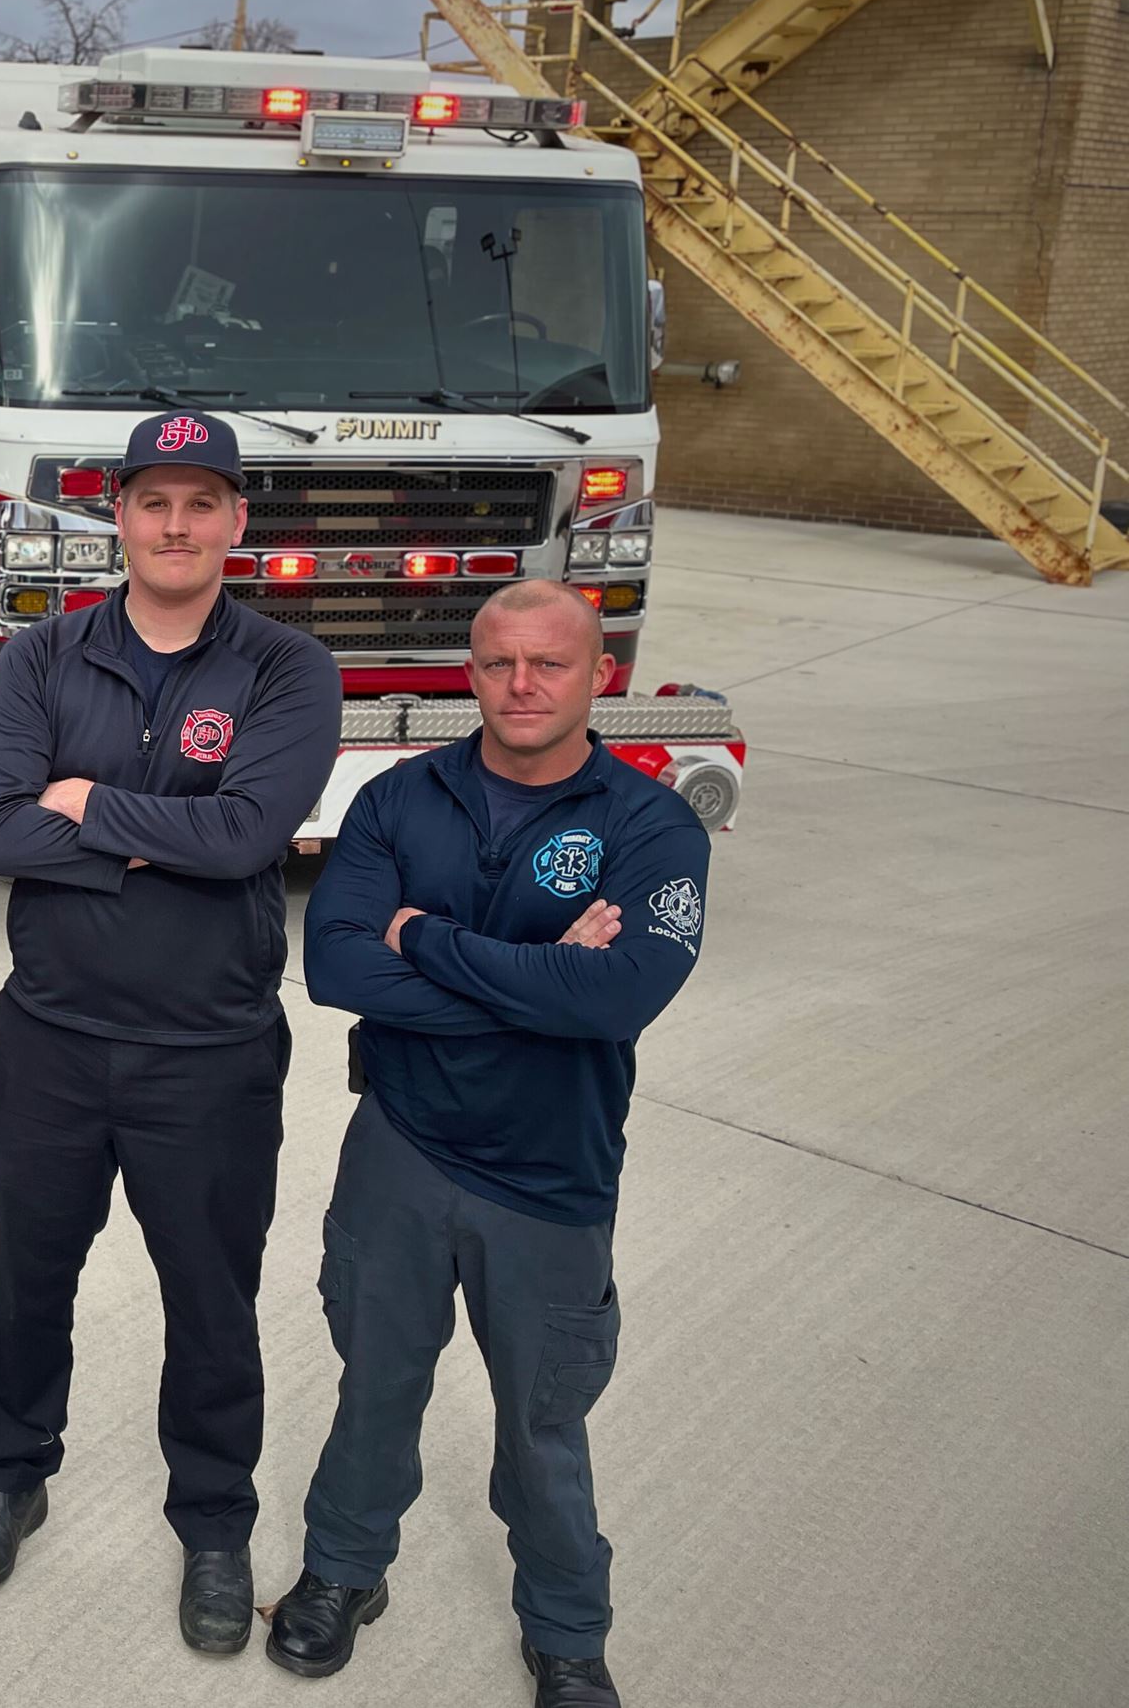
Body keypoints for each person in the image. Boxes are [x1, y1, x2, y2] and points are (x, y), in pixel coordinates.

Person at [268, 580, 713, 1708]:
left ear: (596, 675)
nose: (520, 684)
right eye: (497, 662)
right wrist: (535, 979)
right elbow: (334, 967)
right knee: (373, 1386)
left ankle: (565, 1632)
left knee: (542, 1424)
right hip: (399, 1149)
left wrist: (423, 937)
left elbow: (616, 997)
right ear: (468, 672)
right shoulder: (395, 799)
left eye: (548, 664)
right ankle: (340, 1571)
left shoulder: (647, 823)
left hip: (548, 1176)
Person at [0, 410, 341, 1652]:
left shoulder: (287, 668)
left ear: (235, 519)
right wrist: (159, 830)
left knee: (211, 1303)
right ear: (115, 514)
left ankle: (214, 1520)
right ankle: (10, 1472)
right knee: (23, 1281)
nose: (174, 524)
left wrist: (88, 805)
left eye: (200, 501)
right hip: (50, 1041)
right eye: (151, 500)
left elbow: (248, 836)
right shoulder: (40, 655)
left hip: (209, 1052)